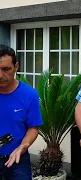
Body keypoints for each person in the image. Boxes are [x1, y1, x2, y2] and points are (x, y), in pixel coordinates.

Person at [0, 44, 43, 179]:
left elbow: (33, 127)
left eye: (6, 69)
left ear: (16, 67)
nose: (0, 75)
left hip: (18, 160)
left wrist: (24, 145)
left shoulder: (29, 95)